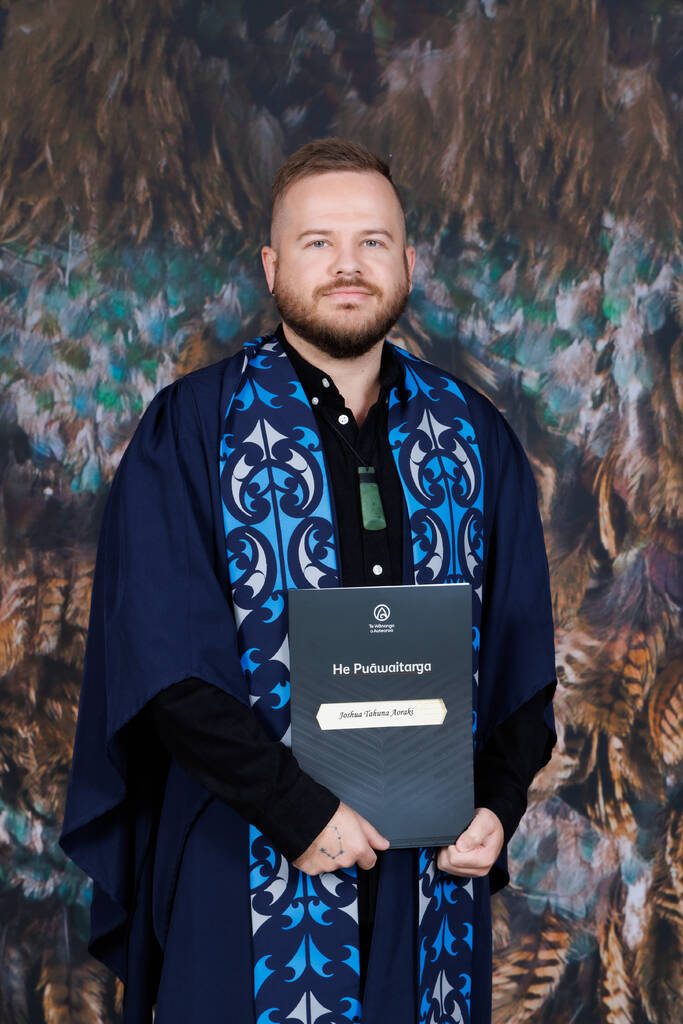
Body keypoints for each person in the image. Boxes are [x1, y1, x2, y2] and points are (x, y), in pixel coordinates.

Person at [60, 138, 556, 1024]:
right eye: (318, 242)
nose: (347, 265)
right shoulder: (195, 427)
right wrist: (298, 812)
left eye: (372, 242)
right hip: (244, 858)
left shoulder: (473, 436)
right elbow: (166, 664)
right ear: (271, 265)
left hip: (427, 875)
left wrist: (497, 803)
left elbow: (519, 655)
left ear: (408, 264)